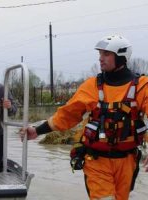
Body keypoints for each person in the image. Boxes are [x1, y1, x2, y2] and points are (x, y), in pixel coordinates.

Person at [20, 35, 148, 200]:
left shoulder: (142, 86)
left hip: (127, 161)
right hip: (96, 160)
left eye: (106, 54)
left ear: (121, 57)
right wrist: (37, 131)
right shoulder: (91, 86)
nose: (100, 59)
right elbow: (67, 115)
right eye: (100, 54)